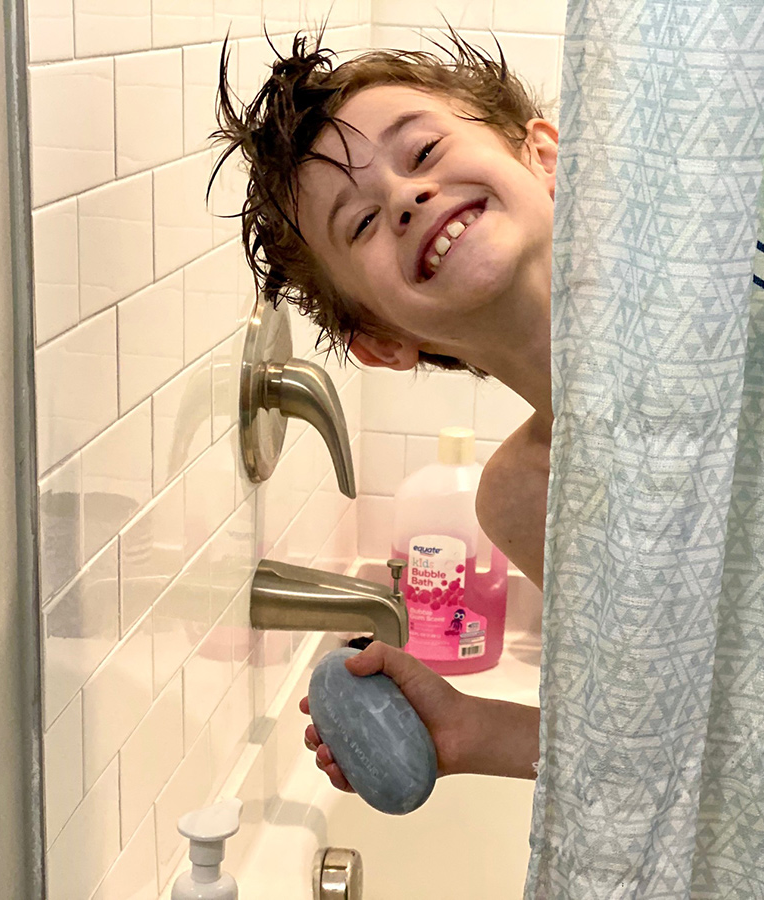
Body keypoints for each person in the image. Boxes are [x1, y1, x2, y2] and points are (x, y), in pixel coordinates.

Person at [214, 33, 557, 792]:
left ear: (543, 156)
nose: (404, 197)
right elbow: (679, 739)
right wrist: (475, 733)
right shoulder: (524, 499)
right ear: (380, 341)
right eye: (360, 224)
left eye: (426, 150)